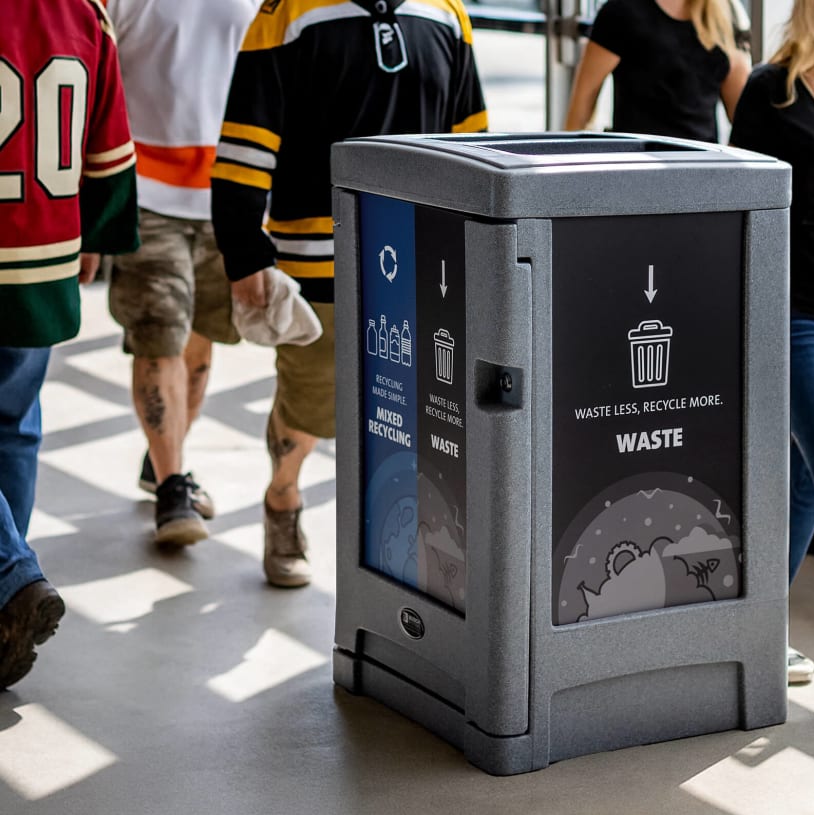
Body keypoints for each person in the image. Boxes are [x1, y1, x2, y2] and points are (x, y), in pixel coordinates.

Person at [211, 0, 488, 587]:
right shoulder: (289, 12)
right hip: (319, 257)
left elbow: (474, 138)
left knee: (428, 412)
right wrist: (243, 248)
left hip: (427, 255)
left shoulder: (446, 14)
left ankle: (410, 540)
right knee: (312, 403)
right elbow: (246, 137)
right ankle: (282, 496)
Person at [0, 0, 138, 688]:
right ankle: (2, 611)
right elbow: (110, 141)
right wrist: (102, 236)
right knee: (14, 425)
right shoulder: (83, 10)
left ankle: (11, 578)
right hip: (46, 253)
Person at [105, 0, 264, 546]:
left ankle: (163, 459)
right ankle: (174, 486)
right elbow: (98, 81)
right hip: (146, 194)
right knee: (158, 338)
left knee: (200, 346)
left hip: (231, 196)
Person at [730, 0, 814, 685]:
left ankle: (752, 634)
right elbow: (739, 205)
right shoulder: (771, 90)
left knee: (805, 481)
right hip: (804, 316)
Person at [565, 0, 751, 142]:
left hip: (701, 167)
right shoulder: (622, 11)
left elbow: (744, 119)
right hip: (640, 167)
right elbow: (581, 107)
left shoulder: (725, 15)